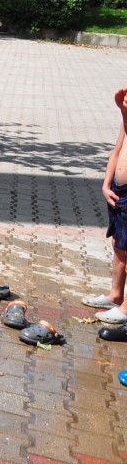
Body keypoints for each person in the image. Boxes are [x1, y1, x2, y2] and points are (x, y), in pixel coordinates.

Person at [85, 87, 127, 341]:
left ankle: (126, 309)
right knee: (119, 245)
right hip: (117, 192)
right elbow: (116, 151)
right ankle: (115, 295)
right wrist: (106, 183)